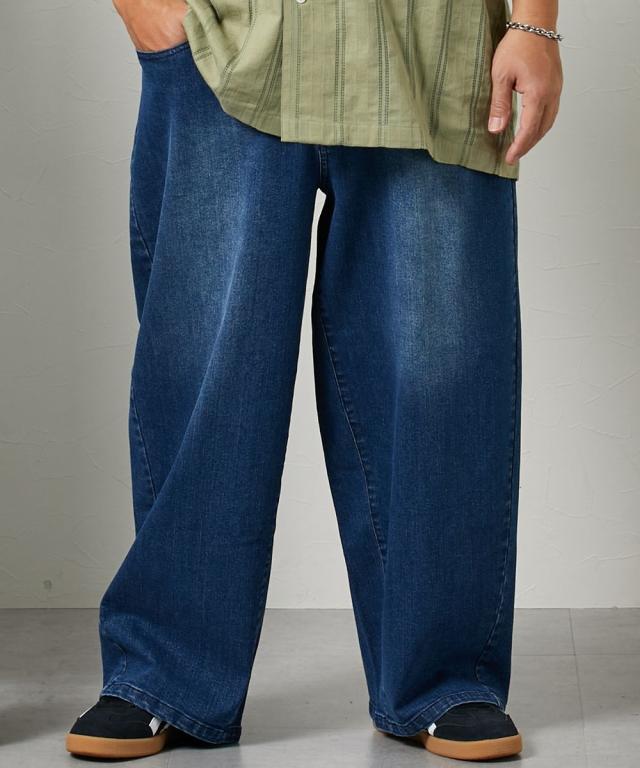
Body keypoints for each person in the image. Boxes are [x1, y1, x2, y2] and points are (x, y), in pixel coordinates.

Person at [66, 0, 563, 761]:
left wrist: (534, 24)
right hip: (223, 38)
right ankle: (165, 673)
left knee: (440, 377)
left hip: (434, 45)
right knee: (206, 372)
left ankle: (444, 677)